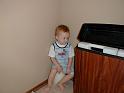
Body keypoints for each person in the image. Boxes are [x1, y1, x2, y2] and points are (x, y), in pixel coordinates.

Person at [45, 25, 74, 92]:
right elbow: (52, 57)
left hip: (66, 64)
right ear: (57, 37)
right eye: (64, 38)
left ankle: (60, 83)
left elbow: (70, 57)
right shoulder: (53, 46)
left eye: (67, 38)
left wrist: (69, 67)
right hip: (56, 63)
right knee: (52, 73)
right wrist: (57, 66)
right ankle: (49, 86)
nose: (66, 40)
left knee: (72, 74)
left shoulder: (69, 46)